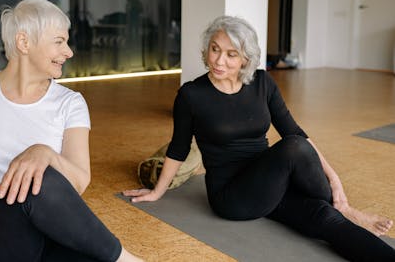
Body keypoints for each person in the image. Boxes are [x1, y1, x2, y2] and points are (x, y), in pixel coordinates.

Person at [124, 16, 395, 261]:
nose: (219, 61)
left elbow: (295, 131)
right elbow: (179, 147)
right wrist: (157, 192)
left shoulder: (262, 83)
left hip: (272, 180)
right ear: (206, 49)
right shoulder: (191, 95)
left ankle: (343, 209)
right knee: (293, 147)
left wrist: (336, 183)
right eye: (215, 49)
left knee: (325, 217)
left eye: (231, 54)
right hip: (232, 194)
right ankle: (343, 207)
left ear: (246, 58)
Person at [0, 0, 142, 262]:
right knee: (36, 178)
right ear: (24, 42)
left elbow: (79, 182)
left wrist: (45, 153)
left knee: (94, 254)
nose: (69, 52)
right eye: (59, 41)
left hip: (46, 233)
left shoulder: (70, 103)